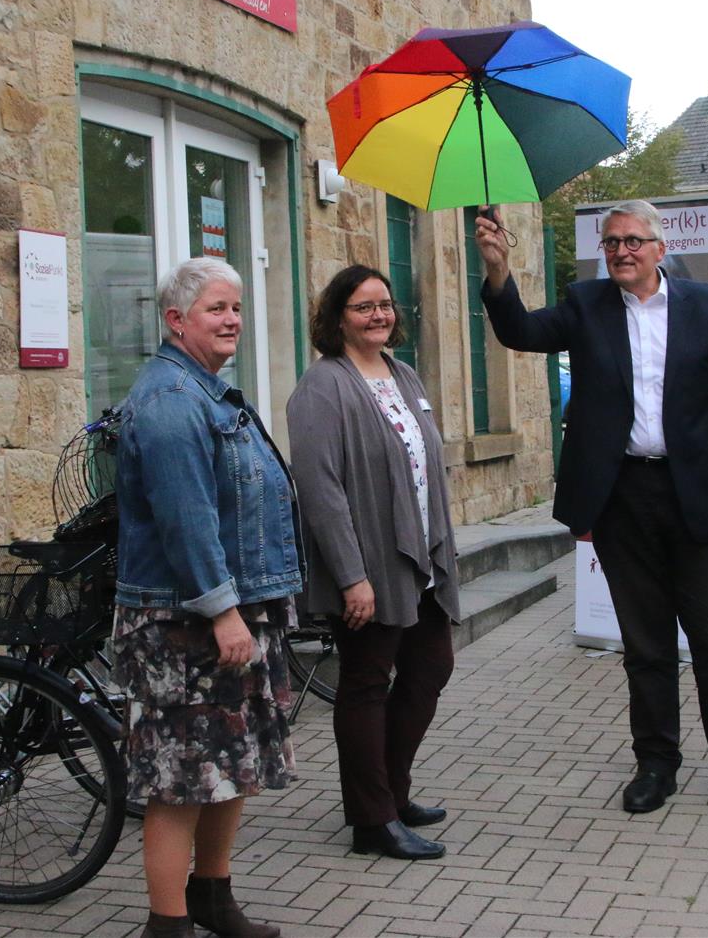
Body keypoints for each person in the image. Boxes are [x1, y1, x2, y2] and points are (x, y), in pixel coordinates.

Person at [474, 201, 708, 819]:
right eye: (611, 242)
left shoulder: (706, 307)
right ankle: (656, 765)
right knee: (645, 644)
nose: (621, 251)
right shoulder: (586, 304)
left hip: (702, 497)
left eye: (633, 241)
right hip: (623, 498)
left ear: (660, 249)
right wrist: (499, 271)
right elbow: (521, 333)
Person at [114, 256, 302, 938]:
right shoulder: (170, 401)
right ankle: (167, 926)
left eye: (236, 308)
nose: (232, 320)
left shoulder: (209, 391)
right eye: (217, 308)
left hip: (235, 610)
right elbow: (186, 520)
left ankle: (213, 898)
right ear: (176, 319)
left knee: (232, 764)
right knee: (179, 780)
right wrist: (223, 611)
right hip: (184, 622)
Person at [286, 265, 460, 861]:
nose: (379, 315)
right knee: (365, 682)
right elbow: (320, 489)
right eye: (364, 307)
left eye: (384, 304)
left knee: (430, 667)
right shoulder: (321, 387)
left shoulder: (402, 374)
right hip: (367, 566)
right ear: (338, 318)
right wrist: (351, 576)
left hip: (420, 560)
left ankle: (390, 794)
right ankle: (372, 821)